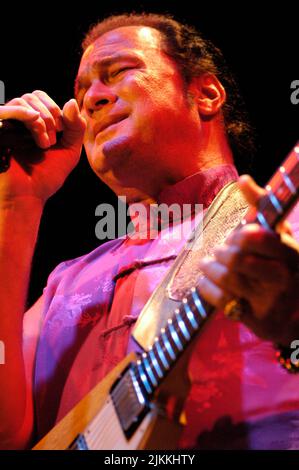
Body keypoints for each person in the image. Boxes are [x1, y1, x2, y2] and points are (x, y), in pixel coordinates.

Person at [0, 12, 299, 450]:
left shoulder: (285, 224)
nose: (91, 101)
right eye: (81, 93)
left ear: (206, 94)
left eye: (118, 72)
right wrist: (17, 205)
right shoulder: (64, 283)